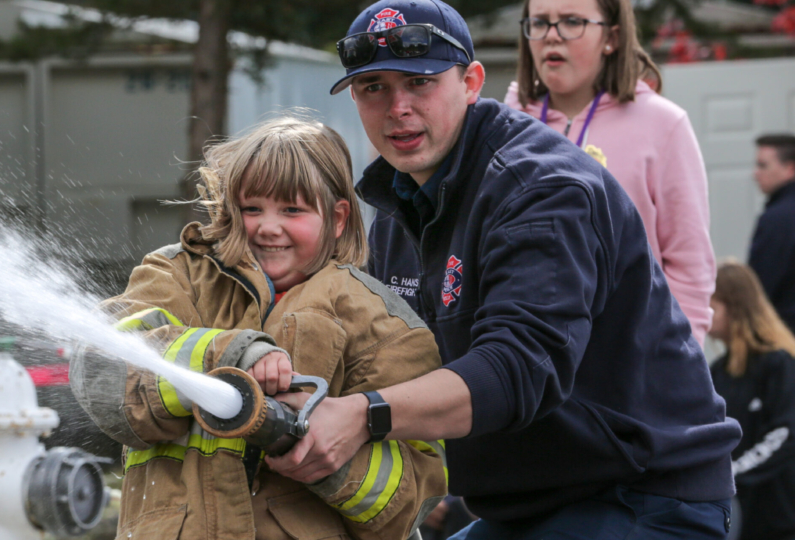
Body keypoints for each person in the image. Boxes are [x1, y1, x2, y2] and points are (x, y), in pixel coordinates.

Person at [263, 0, 743, 537]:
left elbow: (517, 370)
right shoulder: (397, 211)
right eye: (374, 87)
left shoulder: (540, 190)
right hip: (525, 504)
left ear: (471, 82)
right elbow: (387, 362)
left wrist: (362, 414)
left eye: (419, 83)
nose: (397, 107)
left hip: (640, 496)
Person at [70, 116, 446, 540]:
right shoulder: (177, 276)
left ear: (338, 217)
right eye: (252, 208)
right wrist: (233, 355)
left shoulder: (383, 325)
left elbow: (413, 500)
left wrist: (321, 449)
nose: (268, 227)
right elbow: (102, 370)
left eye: (292, 209)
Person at [503, 0, 714, 343]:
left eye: (572, 21)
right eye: (540, 22)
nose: (552, 37)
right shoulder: (506, 122)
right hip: (527, 356)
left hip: (629, 365)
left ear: (611, 37)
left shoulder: (663, 124)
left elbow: (691, 267)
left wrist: (678, 364)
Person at [708, 261, 795, 540]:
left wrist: (732, 473)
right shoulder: (716, 372)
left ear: (735, 308)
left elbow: (785, 433)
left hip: (779, 518)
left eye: (713, 306)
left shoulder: (778, 363)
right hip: (740, 517)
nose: (705, 314)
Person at [749, 133, 795, 332]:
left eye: (763, 165)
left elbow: (761, 288)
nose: (755, 173)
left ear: (790, 168)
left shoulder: (778, 220)